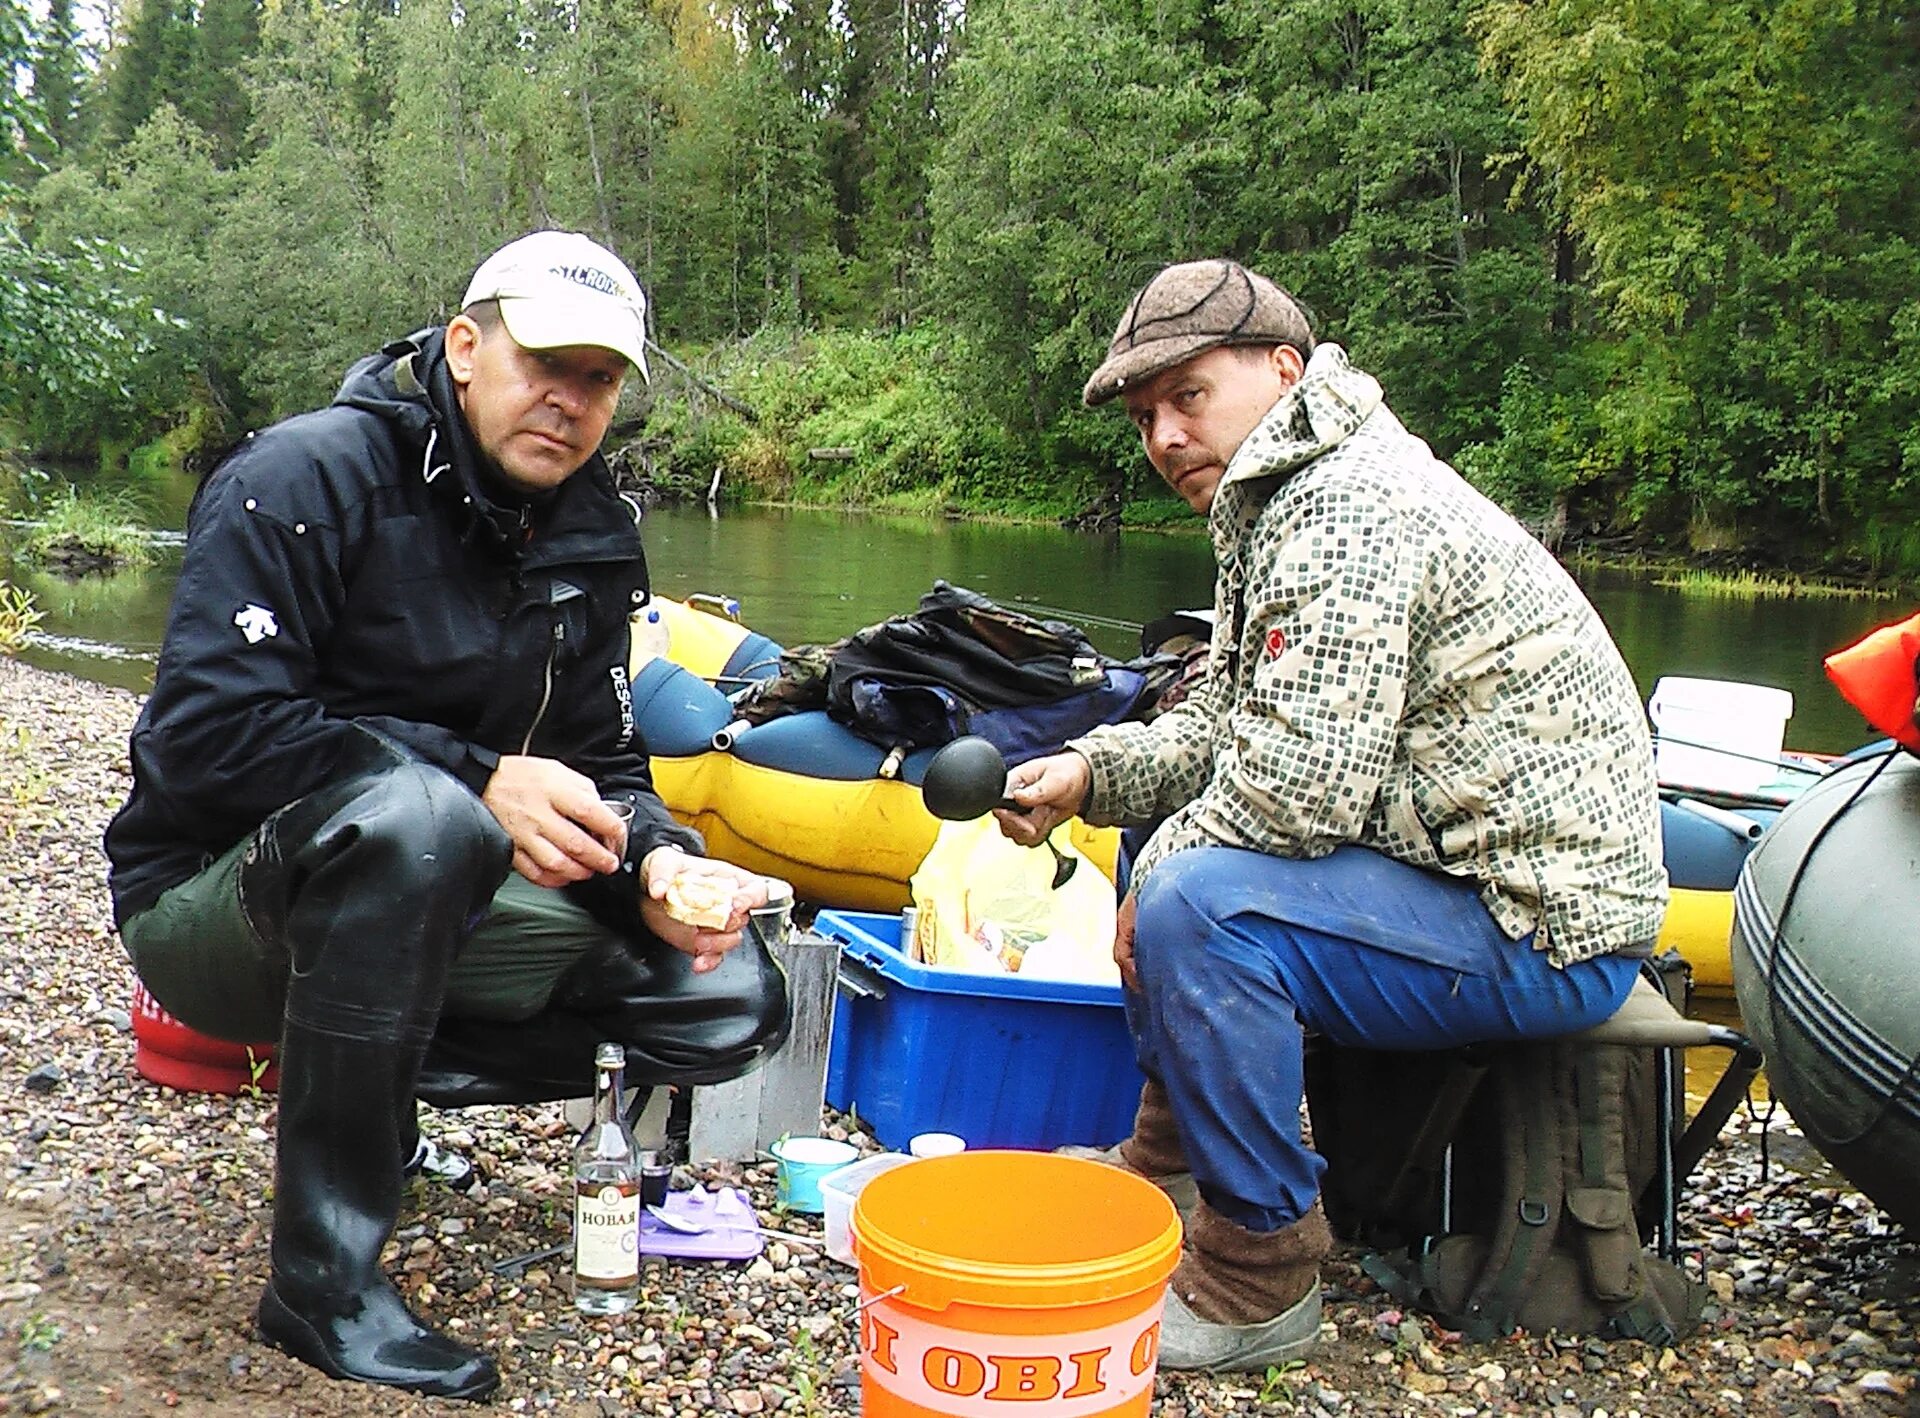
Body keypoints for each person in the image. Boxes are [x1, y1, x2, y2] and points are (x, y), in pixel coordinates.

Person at [104, 231, 790, 1401]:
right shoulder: (304, 476)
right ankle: (319, 1284)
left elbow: (604, 760)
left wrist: (661, 867)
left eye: (600, 379)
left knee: (729, 995)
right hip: (210, 901)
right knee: (427, 820)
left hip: (419, 891)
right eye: (545, 364)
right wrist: (475, 775)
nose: (569, 401)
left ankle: (373, 1092)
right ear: (467, 347)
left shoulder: (592, 529)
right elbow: (199, 742)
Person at [999, 259, 1666, 1372]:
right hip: (1449, 872)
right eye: (1145, 414)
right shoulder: (1281, 485)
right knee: (1160, 827)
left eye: (1187, 396)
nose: (1164, 435)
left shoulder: (1348, 505)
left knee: (1198, 904)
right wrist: (1093, 768)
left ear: (1283, 367)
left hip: (1543, 918)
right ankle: (1168, 1166)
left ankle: (1258, 1270)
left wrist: (1166, 863)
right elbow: (1228, 715)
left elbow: (1301, 786)